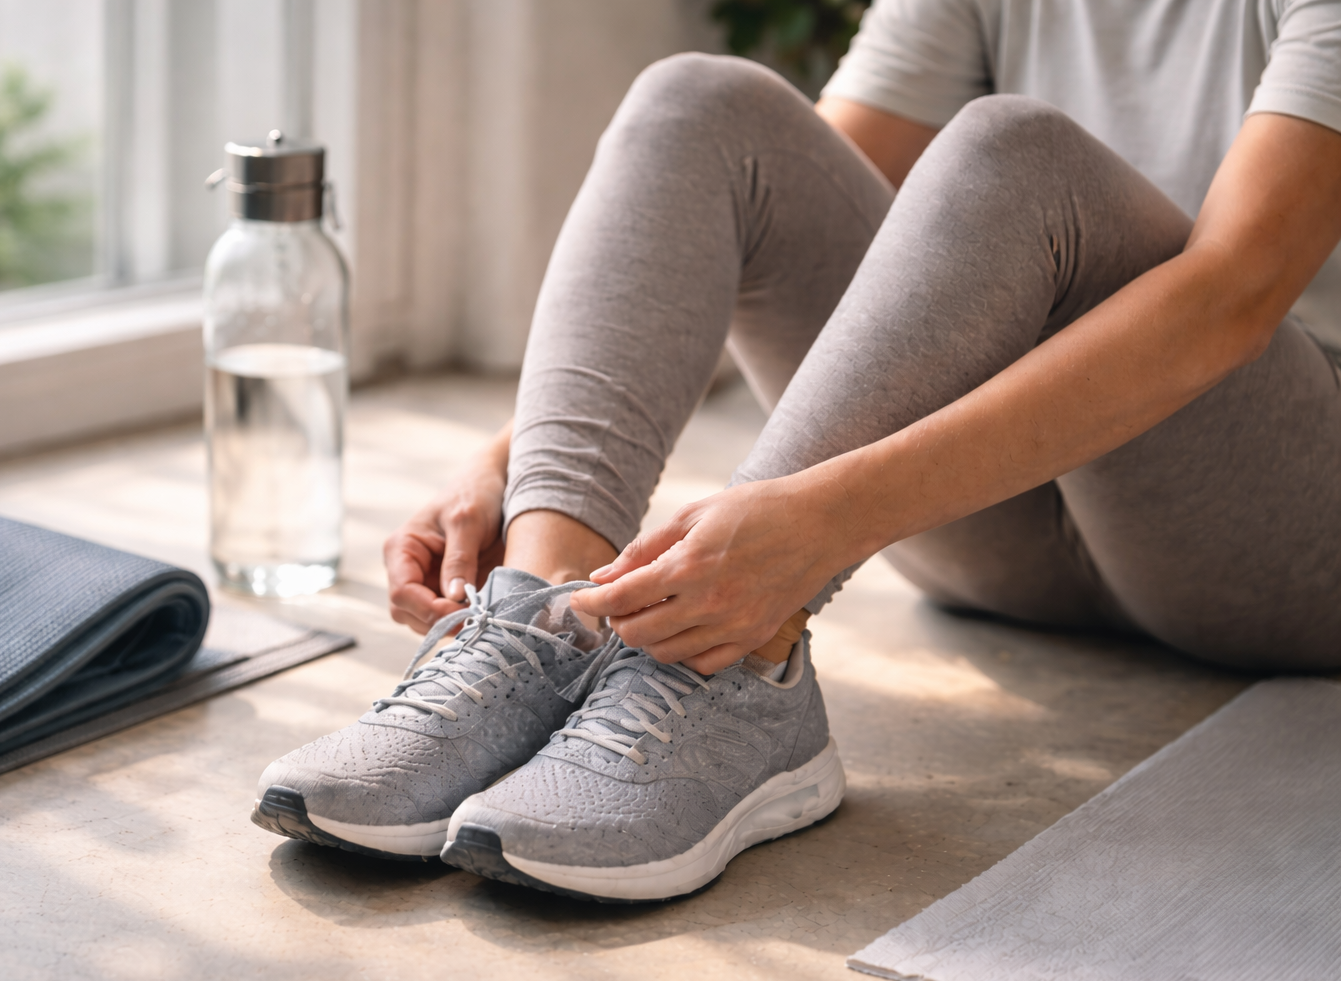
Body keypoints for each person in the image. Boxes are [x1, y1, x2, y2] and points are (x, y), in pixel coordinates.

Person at [252, 0, 1341, 901]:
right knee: (702, 104)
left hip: (1273, 532)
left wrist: (821, 519)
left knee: (1020, 153)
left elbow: (1231, 296)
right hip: (997, 520)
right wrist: (519, 457)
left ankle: (726, 648)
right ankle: (543, 617)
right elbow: (782, 202)